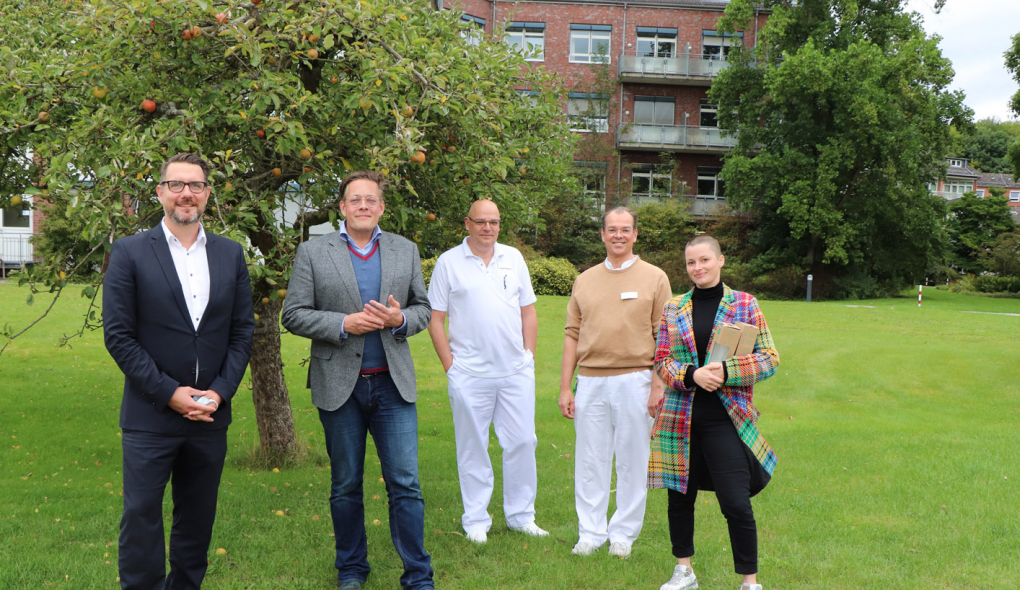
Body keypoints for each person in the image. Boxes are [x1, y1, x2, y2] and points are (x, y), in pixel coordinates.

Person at [103, 153, 255, 590]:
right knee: (141, 516)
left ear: (207, 193)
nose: (186, 193)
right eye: (176, 185)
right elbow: (119, 336)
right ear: (160, 193)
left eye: (195, 185)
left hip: (210, 414)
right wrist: (170, 392)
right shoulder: (130, 251)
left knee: (197, 520)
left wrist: (221, 392)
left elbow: (242, 331)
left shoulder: (229, 253)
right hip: (150, 415)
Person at [280, 171, 434, 590]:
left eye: (371, 199)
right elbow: (292, 314)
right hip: (338, 386)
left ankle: (418, 575)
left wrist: (400, 319)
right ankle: (351, 571)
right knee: (345, 485)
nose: (363, 205)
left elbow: (425, 309)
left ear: (381, 207)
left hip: (392, 385)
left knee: (406, 484)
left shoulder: (405, 250)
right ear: (343, 207)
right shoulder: (313, 252)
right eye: (355, 199)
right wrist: (344, 323)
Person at [650, 234, 779, 590]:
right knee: (679, 498)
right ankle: (684, 571)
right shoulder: (674, 308)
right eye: (691, 262)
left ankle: (750, 582)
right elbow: (661, 361)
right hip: (680, 418)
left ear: (720, 261)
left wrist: (726, 373)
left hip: (727, 418)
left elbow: (769, 359)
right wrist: (692, 375)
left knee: (736, 502)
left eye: (704, 260)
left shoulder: (744, 303)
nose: (697, 268)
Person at [426, 199, 548, 544]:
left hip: (515, 372)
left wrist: (529, 356)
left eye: (493, 222)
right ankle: (476, 519)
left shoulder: (514, 258)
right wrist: (451, 367)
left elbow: (529, 311)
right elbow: (436, 319)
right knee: (473, 447)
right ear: (467, 223)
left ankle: (521, 516)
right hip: (469, 374)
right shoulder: (448, 263)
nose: (487, 228)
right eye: (480, 222)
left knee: (523, 441)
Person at [558, 206, 672, 559]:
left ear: (635, 234)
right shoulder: (585, 279)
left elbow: (665, 337)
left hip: (636, 380)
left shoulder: (655, 278)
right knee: (590, 460)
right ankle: (590, 533)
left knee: (632, 461)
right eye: (612, 229)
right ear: (603, 234)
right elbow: (571, 335)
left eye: (626, 229)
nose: (618, 235)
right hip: (590, 381)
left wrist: (658, 386)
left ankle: (622, 534)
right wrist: (565, 387)